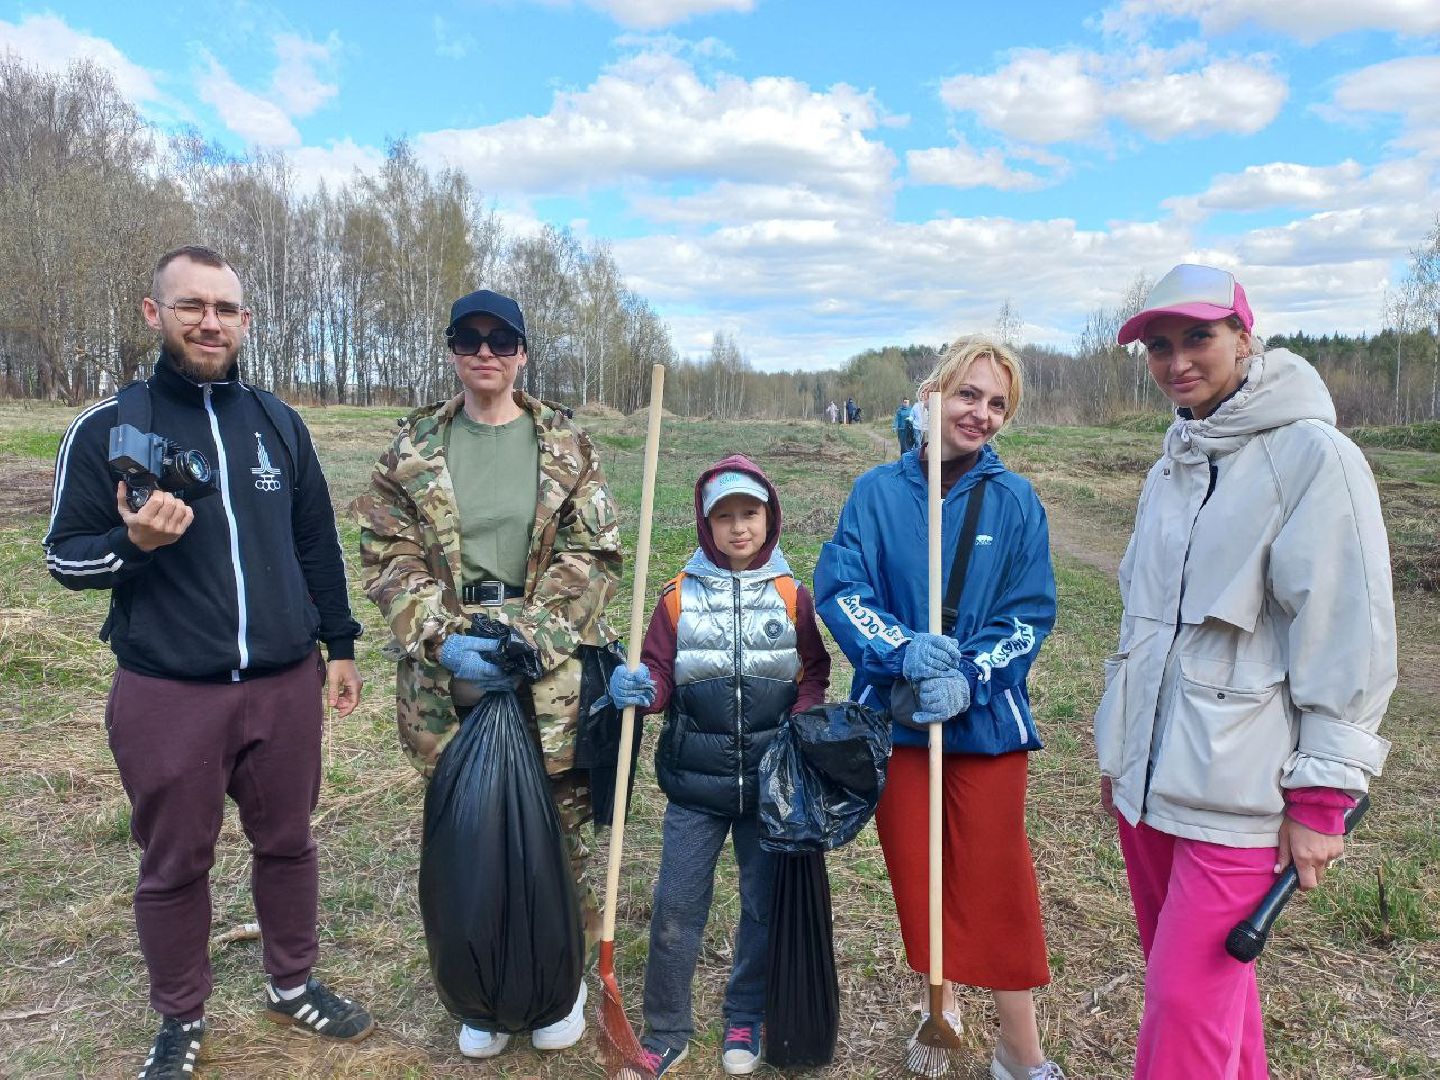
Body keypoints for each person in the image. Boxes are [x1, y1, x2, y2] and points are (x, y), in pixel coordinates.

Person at [43, 245, 374, 1078]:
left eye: (225, 309)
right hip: (168, 691)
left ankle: (291, 983)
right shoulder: (111, 428)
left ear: (246, 322)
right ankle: (179, 1016)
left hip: (282, 684)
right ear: (155, 314)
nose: (210, 322)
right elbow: (66, 558)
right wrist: (134, 545)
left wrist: (339, 644)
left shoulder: (276, 422)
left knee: (289, 842)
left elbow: (315, 545)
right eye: (191, 306)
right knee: (175, 862)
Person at [1097, 263, 1396, 1079]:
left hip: (1242, 794)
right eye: (1159, 346)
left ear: (1244, 335)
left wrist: (1325, 797)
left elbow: (1348, 635)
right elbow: (1143, 626)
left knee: (1181, 1012)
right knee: (1208, 999)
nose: (1177, 361)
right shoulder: (1175, 462)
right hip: (1152, 789)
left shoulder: (1313, 456)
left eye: (1199, 336)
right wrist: (1121, 754)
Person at [352, 288, 622, 1061]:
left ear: (522, 352)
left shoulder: (567, 447)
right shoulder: (411, 451)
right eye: (468, 339)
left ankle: (555, 984)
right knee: (469, 837)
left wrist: (526, 641)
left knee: (556, 837)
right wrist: (443, 637)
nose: (485, 352)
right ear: (450, 350)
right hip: (450, 678)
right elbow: (388, 558)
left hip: (550, 678)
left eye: (501, 339)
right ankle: (482, 991)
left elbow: (591, 556)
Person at [814, 336, 1065, 1080]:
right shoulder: (876, 493)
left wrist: (972, 675)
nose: (981, 414)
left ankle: (1019, 1047)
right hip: (897, 718)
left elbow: (1027, 612)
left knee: (996, 873)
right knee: (916, 868)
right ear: (932, 393)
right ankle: (940, 1002)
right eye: (968, 395)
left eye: (997, 405)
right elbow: (843, 589)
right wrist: (899, 651)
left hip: (983, 724)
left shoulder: (1016, 501)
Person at [606, 455, 831, 1077]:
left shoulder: (793, 595)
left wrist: (802, 722)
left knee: (761, 906)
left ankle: (747, 1014)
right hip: (694, 788)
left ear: (770, 518)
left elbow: (813, 671)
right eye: (725, 516)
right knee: (676, 907)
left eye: (750, 514)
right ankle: (667, 1026)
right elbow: (656, 673)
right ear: (707, 525)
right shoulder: (677, 597)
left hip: (768, 788)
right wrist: (640, 690)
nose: (739, 528)